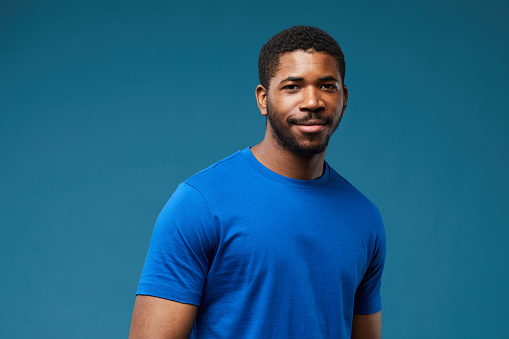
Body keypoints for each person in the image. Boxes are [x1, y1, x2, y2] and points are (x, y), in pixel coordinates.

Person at [129, 25, 386, 339]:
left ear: (344, 98)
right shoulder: (200, 203)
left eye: (326, 86)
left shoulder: (365, 218)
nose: (312, 102)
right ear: (263, 99)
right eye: (293, 86)